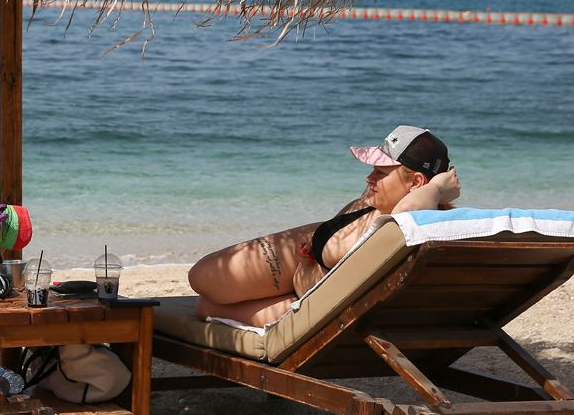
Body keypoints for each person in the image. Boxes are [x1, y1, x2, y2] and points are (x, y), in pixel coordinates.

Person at [189, 125, 461, 327]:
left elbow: (406, 212)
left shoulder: (409, 221)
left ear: (416, 184)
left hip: (307, 302)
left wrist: (436, 186)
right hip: (301, 269)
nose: (369, 178)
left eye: (380, 172)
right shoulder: (381, 206)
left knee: (206, 300)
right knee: (205, 278)